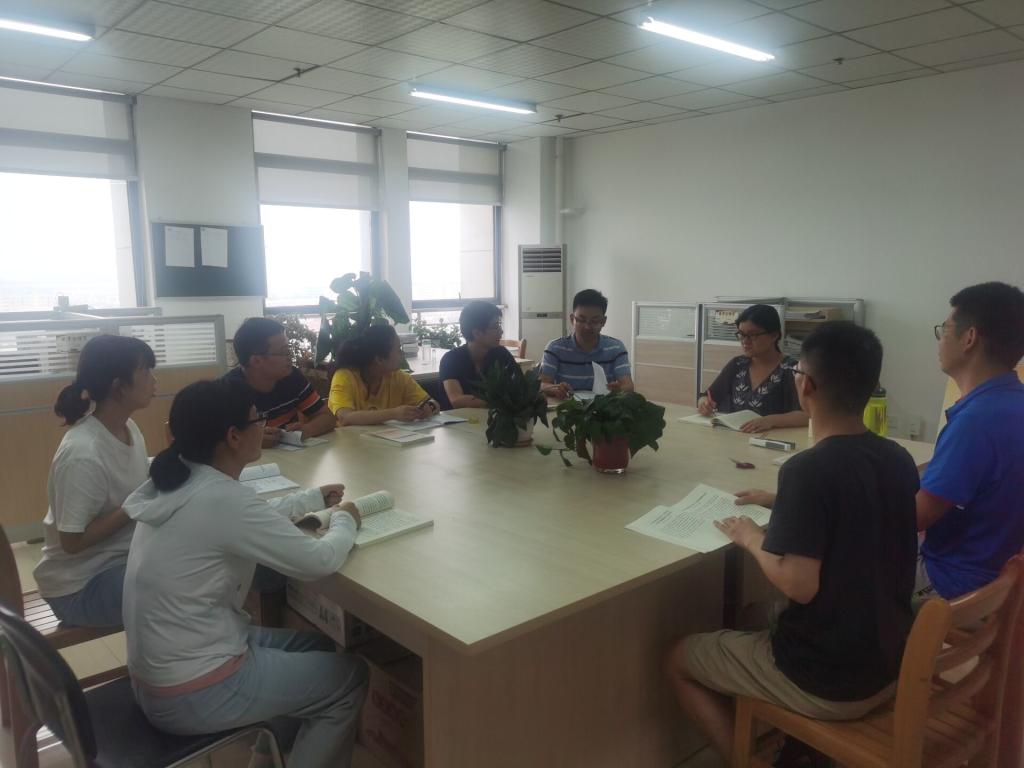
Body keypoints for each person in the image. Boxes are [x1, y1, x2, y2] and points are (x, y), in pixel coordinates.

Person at [665, 322, 919, 763]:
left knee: (679, 658)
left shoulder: (807, 470)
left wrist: (750, 537)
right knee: (749, 614)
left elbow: (798, 584)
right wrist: (783, 500)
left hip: (832, 680)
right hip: (890, 656)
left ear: (806, 385)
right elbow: (854, 503)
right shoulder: (897, 456)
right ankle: (787, 740)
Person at [122, 379, 367, 768]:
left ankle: (266, 759)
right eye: (259, 419)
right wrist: (345, 520)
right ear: (234, 436)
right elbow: (319, 561)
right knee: (349, 679)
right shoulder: (220, 498)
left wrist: (309, 499)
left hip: (161, 672)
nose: (266, 427)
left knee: (317, 646)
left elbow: (245, 520)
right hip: (192, 691)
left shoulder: (177, 479)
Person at [33, 334, 157, 628]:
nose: (154, 380)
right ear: (119, 386)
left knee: (197, 559)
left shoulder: (128, 427)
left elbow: (132, 482)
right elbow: (72, 542)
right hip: (79, 585)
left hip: (120, 560)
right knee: (180, 588)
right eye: (145, 371)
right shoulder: (83, 453)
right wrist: (136, 504)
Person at [916, 281, 1024, 600]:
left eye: (944, 330)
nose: (940, 341)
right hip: (997, 570)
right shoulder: (1013, 403)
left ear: (969, 338)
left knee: (833, 567)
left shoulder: (976, 421)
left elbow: (915, 516)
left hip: (952, 579)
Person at [224, 317, 335, 448]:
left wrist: (306, 430)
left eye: (289, 349)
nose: (290, 356)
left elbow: (327, 417)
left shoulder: (292, 377)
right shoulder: (227, 392)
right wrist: (251, 440)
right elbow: (213, 442)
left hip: (290, 457)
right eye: (284, 352)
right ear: (256, 361)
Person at [697, 304, 808, 433]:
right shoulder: (738, 364)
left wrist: (770, 420)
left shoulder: (792, 370)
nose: (745, 341)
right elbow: (709, 395)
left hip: (772, 440)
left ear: (774, 335)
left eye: (752, 335)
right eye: (741, 334)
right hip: (734, 437)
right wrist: (703, 402)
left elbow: (807, 415)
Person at [328, 324, 440, 426]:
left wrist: (429, 407)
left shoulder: (399, 377)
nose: (402, 353)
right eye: (398, 349)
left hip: (391, 440)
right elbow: (346, 417)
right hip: (350, 441)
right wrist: (393, 414)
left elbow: (432, 402)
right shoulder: (345, 377)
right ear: (379, 359)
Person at [539, 288, 633, 399]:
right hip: (567, 406)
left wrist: (619, 389)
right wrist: (554, 388)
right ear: (572, 319)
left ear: (603, 321)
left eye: (594, 321)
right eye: (581, 320)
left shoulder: (616, 348)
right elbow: (541, 384)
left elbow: (628, 386)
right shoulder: (555, 348)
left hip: (603, 406)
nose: (587, 327)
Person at [438, 301, 518, 410]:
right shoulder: (451, 359)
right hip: (458, 418)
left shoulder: (501, 353)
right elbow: (457, 400)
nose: (501, 331)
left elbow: (521, 387)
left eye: (499, 325)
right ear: (477, 333)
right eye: (495, 326)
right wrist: (502, 401)